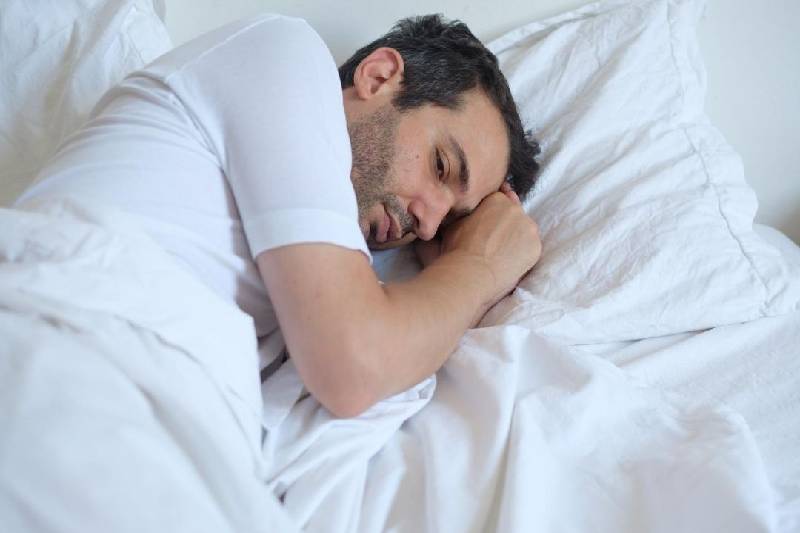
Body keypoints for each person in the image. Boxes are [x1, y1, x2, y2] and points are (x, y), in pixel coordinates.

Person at [16, 13, 542, 418]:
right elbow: (354, 366)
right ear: (379, 77)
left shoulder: (338, 280)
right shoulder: (282, 53)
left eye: (450, 222)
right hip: (60, 344)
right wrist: (480, 265)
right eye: (440, 164)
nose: (427, 224)